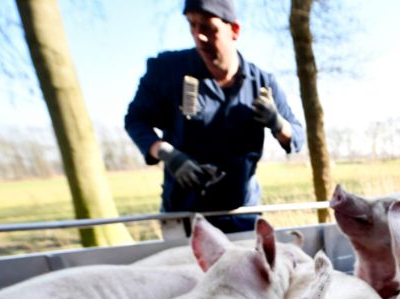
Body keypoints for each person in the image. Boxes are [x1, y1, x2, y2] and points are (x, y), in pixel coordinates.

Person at [125, 0, 305, 233]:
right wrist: (165, 152)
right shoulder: (167, 71)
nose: (198, 36)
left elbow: (297, 136)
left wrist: (278, 123)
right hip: (185, 217)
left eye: (209, 27)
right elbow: (135, 120)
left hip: (241, 217)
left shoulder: (263, 83)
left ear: (234, 30)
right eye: (192, 25)